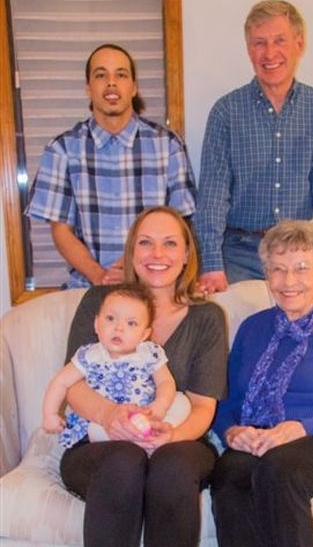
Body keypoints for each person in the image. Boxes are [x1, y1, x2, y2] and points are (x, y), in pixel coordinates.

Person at [59, 206, 228, 547]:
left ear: (185, 255)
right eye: (146, 243)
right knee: (125, 459)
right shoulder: (99, 301)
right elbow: (72, 384)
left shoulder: (207, 317)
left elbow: (202, 406)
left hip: (181, 441)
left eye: (169, 244)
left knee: (172, 467)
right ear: (132, 251)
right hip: (98, 443)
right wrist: (109, 416)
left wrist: (172, 435)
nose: (157, 254)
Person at [211, 219, 313, 547]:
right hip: (259, 436)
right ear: (266, 274)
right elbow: (225, 401)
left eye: (301, 268)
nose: (288, 281)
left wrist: (298, 428)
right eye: (277, 269)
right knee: (229, 475)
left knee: (277, 469)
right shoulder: (252, 328)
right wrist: (232, 431)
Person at [193, 0, 313, 295]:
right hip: (239, 252)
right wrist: (211, 264)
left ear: (299, 42)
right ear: (248, 49)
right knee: (232, 327)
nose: (269, 53)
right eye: (259, 43)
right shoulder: (226, 112)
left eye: (279, 41)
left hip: (300, 251)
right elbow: (213, 195)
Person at [26, 43, 196, 289]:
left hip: (153, 286)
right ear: (88, 88)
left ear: (134, 87)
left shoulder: (168, 146)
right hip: (89, 287)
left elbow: (182, 225)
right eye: (100, 75)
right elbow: (61, 231)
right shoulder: (62, 149)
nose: (111, 83)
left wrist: (137, 272)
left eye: (121, 74)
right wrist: (100, 276)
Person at [42, 282, 190, 448]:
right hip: (108, 424)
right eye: (110, 319)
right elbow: (61, 382)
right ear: (97, 324)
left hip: (146, 413)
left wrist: (159, 407)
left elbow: (165, 382)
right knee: (94, 429)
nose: (119, 328)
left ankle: (154, 435)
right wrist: (50, 414)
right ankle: (141, 441)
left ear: (144, 334)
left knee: (181, 401)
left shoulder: (149, 353)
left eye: (131, 323)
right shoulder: (90, 355)